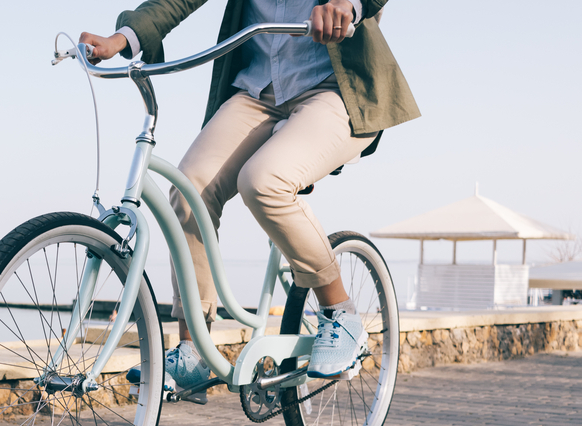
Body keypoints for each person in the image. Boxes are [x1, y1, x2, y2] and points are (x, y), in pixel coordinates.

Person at [81, 0, 419, 397]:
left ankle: (339, 310)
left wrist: (347, 4)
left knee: (262, 182)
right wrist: (125, 36)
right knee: (189, 189)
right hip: (257, 91)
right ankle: (193, 347)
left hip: (333, 88)